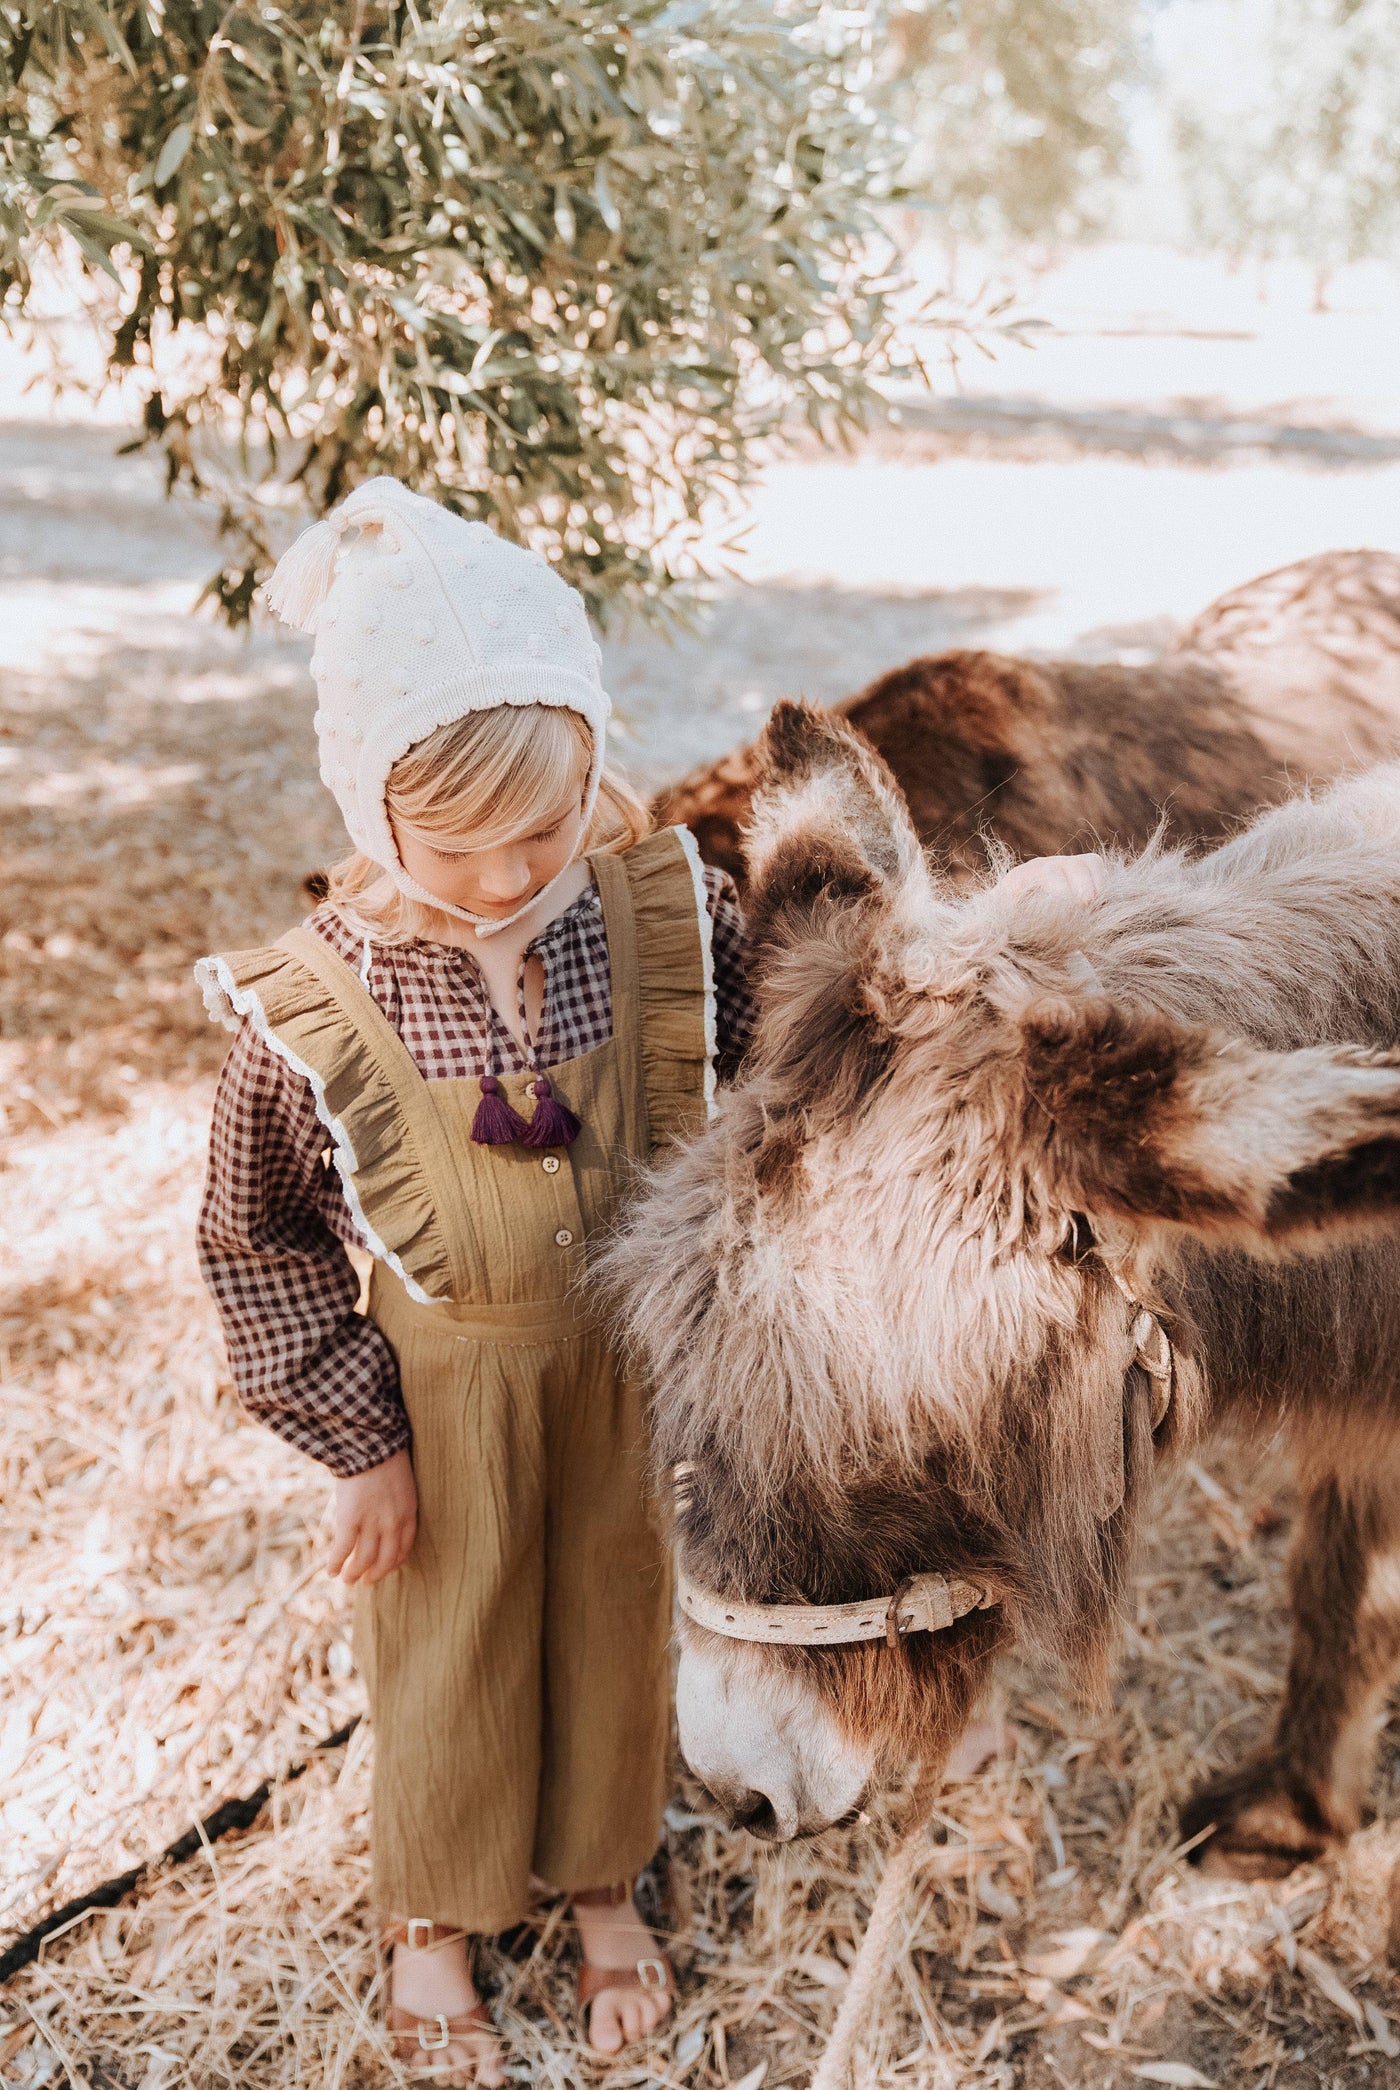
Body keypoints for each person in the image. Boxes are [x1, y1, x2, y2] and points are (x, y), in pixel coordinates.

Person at [195, 476, 1105, 2084]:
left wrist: (970, 952)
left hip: (647, 1357)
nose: (502, 874)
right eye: (454, 842)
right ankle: (438, 1913)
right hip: (443, 1383)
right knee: (449, 1632)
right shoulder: (307, 1004)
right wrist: (357, 1435)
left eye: (541, 827)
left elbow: (817, 1053)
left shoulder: (668, 914)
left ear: (593, 765)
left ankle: (604, 1872)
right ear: (366, 801)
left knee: (626, 1611)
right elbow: (253, 1234)